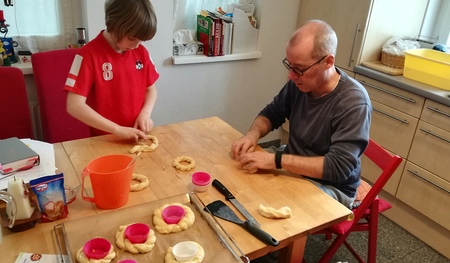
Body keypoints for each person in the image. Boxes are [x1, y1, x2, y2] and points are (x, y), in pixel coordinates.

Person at [231, 19, 372, 209]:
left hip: (333, 185)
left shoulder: (353, 102)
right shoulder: (301, 83)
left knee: (277, 208)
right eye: (290, 66)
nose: (291, 76)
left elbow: (337, 167)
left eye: (299, 69)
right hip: (294, 165)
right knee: (241, 178)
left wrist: (275, 161)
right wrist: (252, 135)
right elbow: (272, 114)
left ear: (328, 62)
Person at [65, 0, 159, 141]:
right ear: (113, 24)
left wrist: (145, 114)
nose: (135, 45)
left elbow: (151, 90)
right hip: (105, 139)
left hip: (137, 135)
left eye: (141, 41)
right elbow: (74, 106)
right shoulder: (88, 55)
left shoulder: (141, 52)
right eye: (132, 38)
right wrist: (117, 129)